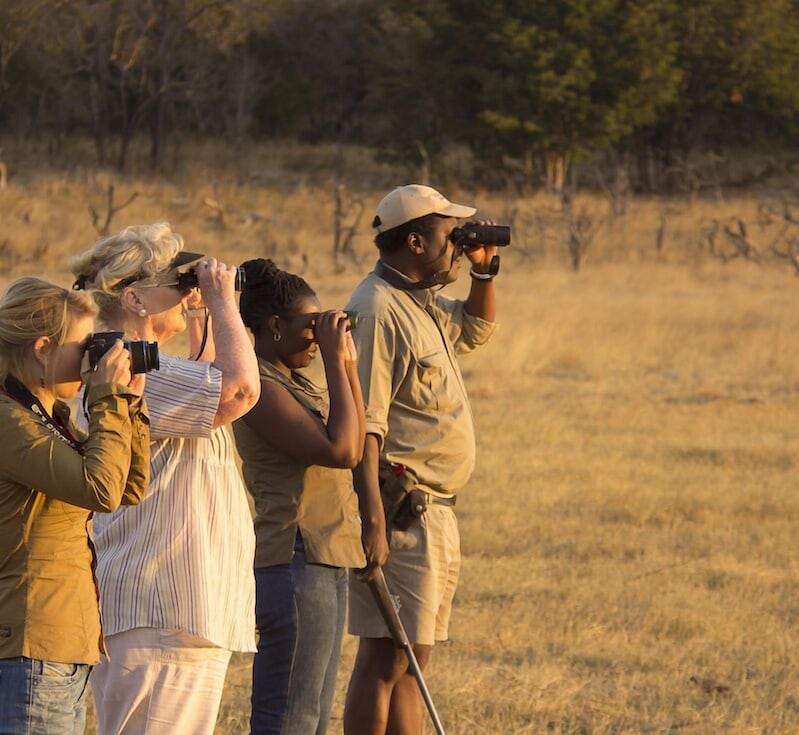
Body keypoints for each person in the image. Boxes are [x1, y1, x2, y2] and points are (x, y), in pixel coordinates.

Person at [69, 223, 261, 734]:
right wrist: (223, 302)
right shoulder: (132, 371)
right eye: (177, 283)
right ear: (134, 298)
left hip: (170, 614)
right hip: (160, 613)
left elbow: (213, 378)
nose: (187, 291)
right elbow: (238, 389)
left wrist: (200, 311)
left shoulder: (143, 367)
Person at [343, 185, 500, 734]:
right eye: (449, 235)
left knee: (411, 662)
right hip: (402, 510)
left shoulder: (418, 299)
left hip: (434, 510)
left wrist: (483, 273)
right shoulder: (376, 309)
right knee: (386, 659)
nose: (458, 244)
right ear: (414, 241)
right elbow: (365, 427)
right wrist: (374, 522)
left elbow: (475, 331)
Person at [0, 277, 149, 734]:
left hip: (52, 663)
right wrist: (106, 399)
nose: (89, 359)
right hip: (29, 664)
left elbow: (128, 487)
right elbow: (100, 489)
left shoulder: (48, 418)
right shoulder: (9, 423)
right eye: (82, 346)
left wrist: (128, 403)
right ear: (43, 349)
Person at [233, 259, 367, 734]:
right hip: (294, 558)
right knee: (290, 718)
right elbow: (342, 450)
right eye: (310, 327)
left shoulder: (291, 381)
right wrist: (335, 361)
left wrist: (346, 364)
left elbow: (357, 438)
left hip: (321, 556)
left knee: (313, 716)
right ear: (274, 327)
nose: (316, 338)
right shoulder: (261, 388)